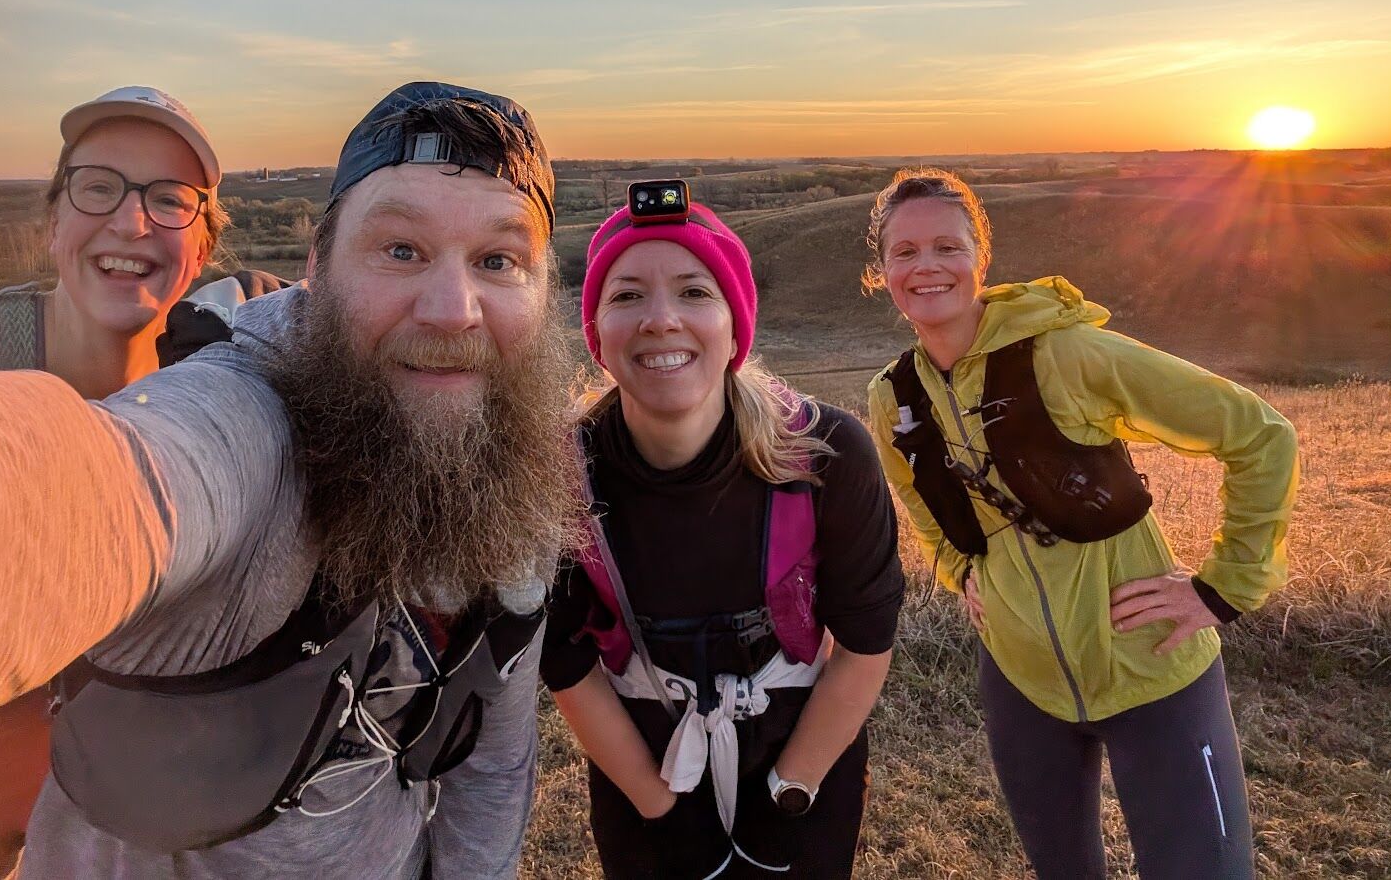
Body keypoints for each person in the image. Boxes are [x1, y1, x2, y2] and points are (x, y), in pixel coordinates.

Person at [0, 82, 583, 879]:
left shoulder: (512, 453)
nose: (454, 308)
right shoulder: (247, 414)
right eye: (400, 250)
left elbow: (492, 759)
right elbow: (114, 482)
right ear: (318, 268)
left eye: (498, 260)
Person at [860, 168, 1299, 880]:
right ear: (881, 271)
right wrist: (961, 569)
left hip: (1149, 666)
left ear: (980, 257)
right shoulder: (893, 397)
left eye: (947, 246)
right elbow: (914, 494)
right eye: (904, 252)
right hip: (1019, 676)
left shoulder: (1065, 353)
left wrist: (1223, 587)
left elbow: (1260, 434)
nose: (926, 266)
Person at [543, 193, 905, 878]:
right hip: (640, 770)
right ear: (597, 331)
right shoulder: (560, 475)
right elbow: (566, 664)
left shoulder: (827, 453)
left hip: (804, 757)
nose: (660, 319)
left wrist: (788, 792)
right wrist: (661, 810)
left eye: (693, 291)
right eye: (627, 295)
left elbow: (864, 646)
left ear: (735, 324)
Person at [0, 85, 229, 880]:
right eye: (98, 187)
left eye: (170, 201)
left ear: (200, 253)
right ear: (53, 224)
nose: (131, 222)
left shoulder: (219, 382)